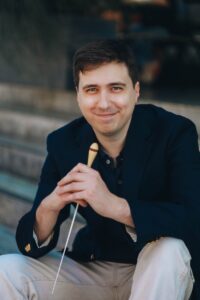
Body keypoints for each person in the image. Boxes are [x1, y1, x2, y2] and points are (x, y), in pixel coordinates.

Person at [0, 39, 200, 300]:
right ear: (78, 95)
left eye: (115, 88)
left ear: (136, 91)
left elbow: (192, 217)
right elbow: (30, 242)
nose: (104, 103)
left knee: (169, 250)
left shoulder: (174, 132)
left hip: (160, 275)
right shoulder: (64, 143)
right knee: (6, 270)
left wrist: (115, 206)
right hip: (94, 270)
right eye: (92, 89)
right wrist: (50, 206)